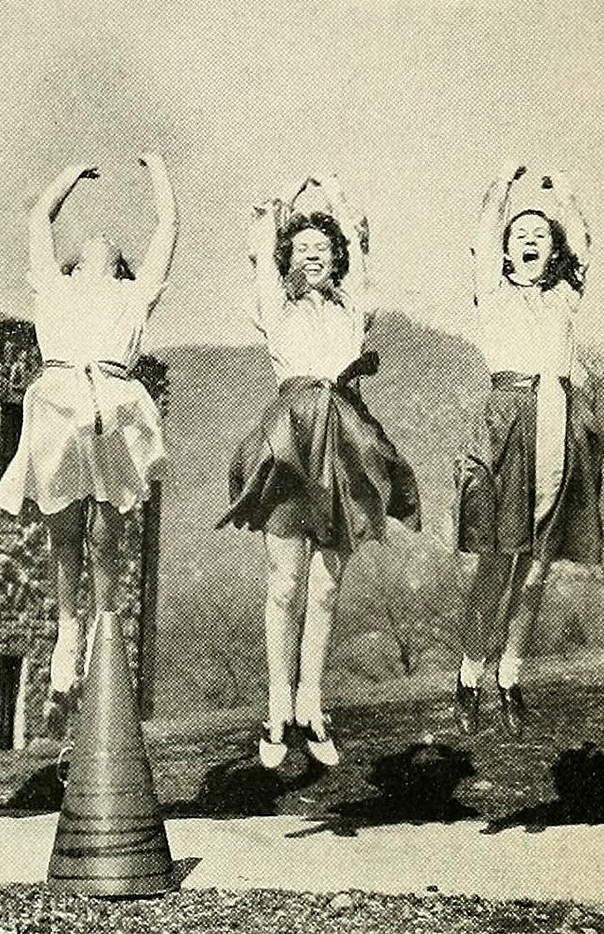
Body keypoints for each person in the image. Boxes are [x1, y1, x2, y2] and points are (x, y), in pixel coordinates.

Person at [218, 176, 420, 768]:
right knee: (285, 582)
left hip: (346, 439)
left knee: (327, 585)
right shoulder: (276, 307)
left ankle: (311, 701)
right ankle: (278, 705)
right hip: (291, 437)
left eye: (322, 248)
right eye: (301, 247)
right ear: (288, 258)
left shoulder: (353, 308)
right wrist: (283, 203)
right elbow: (263, 252)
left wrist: (332, 191)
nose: (312, 255)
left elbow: (359, 245)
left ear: (336, 258)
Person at [0, 155, 177, 738]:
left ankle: (104, 624)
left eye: (112, 248)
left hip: (112, 404)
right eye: (89, 244)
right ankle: (68, 632)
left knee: (105, 531)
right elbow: (38, 220)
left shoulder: (132, 296)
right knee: (65, 530)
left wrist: (157, 172)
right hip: (59, 403)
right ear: (73, 265)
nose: (100, 240)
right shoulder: (55, 287)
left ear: (121, 268)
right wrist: (69, 176)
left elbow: (167, 229)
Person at [453, 165, 599, 737]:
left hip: (559, 424)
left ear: (552, 248)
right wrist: (501, 192)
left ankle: (509, 676)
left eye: (540, 234)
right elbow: (485, 236)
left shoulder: (564, 295)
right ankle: (469, 677)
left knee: (535, 569)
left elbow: (582, 245)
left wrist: (564, 195)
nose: (530, 240)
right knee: (497, 563)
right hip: (508, 423)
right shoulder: (491, 293)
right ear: (508, 252)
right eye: (521, 235)